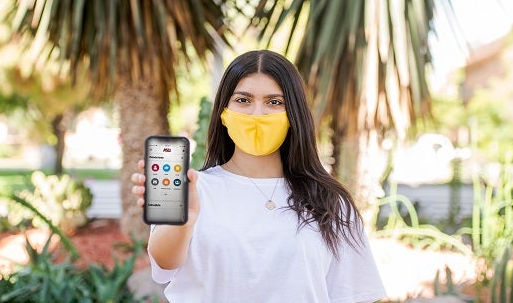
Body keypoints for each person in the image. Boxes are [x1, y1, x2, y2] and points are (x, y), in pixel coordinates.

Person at [131, 50, 386, 303]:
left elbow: (353, 295)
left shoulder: (330, 201)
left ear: (293, 114)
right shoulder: (194, 191)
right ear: (223, 111)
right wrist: (184, 221)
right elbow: (164, 262)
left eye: (274, 102)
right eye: (243, 100)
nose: (257, 114)